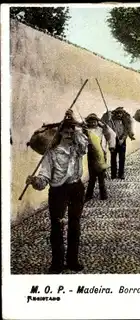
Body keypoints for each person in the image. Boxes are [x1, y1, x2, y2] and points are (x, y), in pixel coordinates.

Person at [25, 110, 88, 273]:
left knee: (75, 225)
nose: (69, 134)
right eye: (66, 131)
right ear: (59, 132)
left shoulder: (78, 148)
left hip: (77, 188)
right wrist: (35, 181)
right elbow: (44, 177)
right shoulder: (51, 152)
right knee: (57, 226)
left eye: (71, 131)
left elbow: (84, 142)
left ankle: (73, 261)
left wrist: (74, 121)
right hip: (58, 191)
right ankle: (57, 264)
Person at [84, 113, 116, 201]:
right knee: (92, 176)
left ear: (97, 122)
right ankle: (88, 195)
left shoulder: (101, 129)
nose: (93, 123)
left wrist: (104, 125)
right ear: (88, 122)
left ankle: (103, 195)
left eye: (95, 121)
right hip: (91, 154)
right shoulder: (85, 130)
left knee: (101, 176)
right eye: (91, 121)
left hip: (101, 153)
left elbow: (111, 134)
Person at [103, 107, 135, 179]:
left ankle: (121, 174)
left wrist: (122, 139)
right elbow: (109, 131)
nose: (119, 115)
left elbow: (126, 131)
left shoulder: (125, 121)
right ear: (115, 114)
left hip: (122, 142)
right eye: (118, 113)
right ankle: (113, 174)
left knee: (122, 158)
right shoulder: (111, 121)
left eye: (121, 113)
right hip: (113, 142)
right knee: (113, 158)